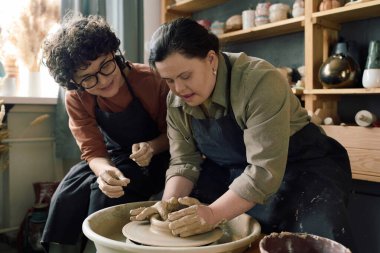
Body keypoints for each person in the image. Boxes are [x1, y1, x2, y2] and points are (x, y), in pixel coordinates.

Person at [130, 17, 356, 252]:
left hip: (301, 165)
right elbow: (184, 161)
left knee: (312, 239)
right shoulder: (176, 100)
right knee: (174, 212)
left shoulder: (258, 81)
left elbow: (263, 172)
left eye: (186, 76)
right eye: (169, 80)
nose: (179, 89)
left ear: (211, 59)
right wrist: (167, 205)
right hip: (233, 169)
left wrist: (212, 214)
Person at [40, 14, 170, 251]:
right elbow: (92, 151)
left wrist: (151, 147)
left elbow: (175, 136)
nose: (103, 80)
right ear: (75, 83)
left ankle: (101, 247)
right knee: (67, 194)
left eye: (106, 65)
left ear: (114, 53)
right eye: (88, 78)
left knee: (106, 197)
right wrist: (106, 172)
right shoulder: (77, 97)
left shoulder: (151, 80)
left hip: (159, 155)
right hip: (113, 156)